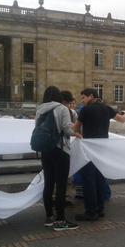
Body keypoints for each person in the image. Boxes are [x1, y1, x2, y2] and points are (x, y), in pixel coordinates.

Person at [73, 88, 125, 221]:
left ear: (91, 96)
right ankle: (100, 209)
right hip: (102, 148)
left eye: (83, 98)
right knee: (99, 178)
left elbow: (76, 128)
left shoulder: (85, 110)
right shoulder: (107, 108)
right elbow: (122, 120)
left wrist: (77, 133)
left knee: (88, 180)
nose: (82, 101)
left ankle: (91, 212)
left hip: (89, 148)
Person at [36, 86, 81, 231]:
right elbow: (67, 129)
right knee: (61, 185)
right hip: (60, 150)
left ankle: (49, 218)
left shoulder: (40, 109)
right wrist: (77, 131)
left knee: (48, 183)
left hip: (45, 150)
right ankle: (60, 220)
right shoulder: (61, 108)